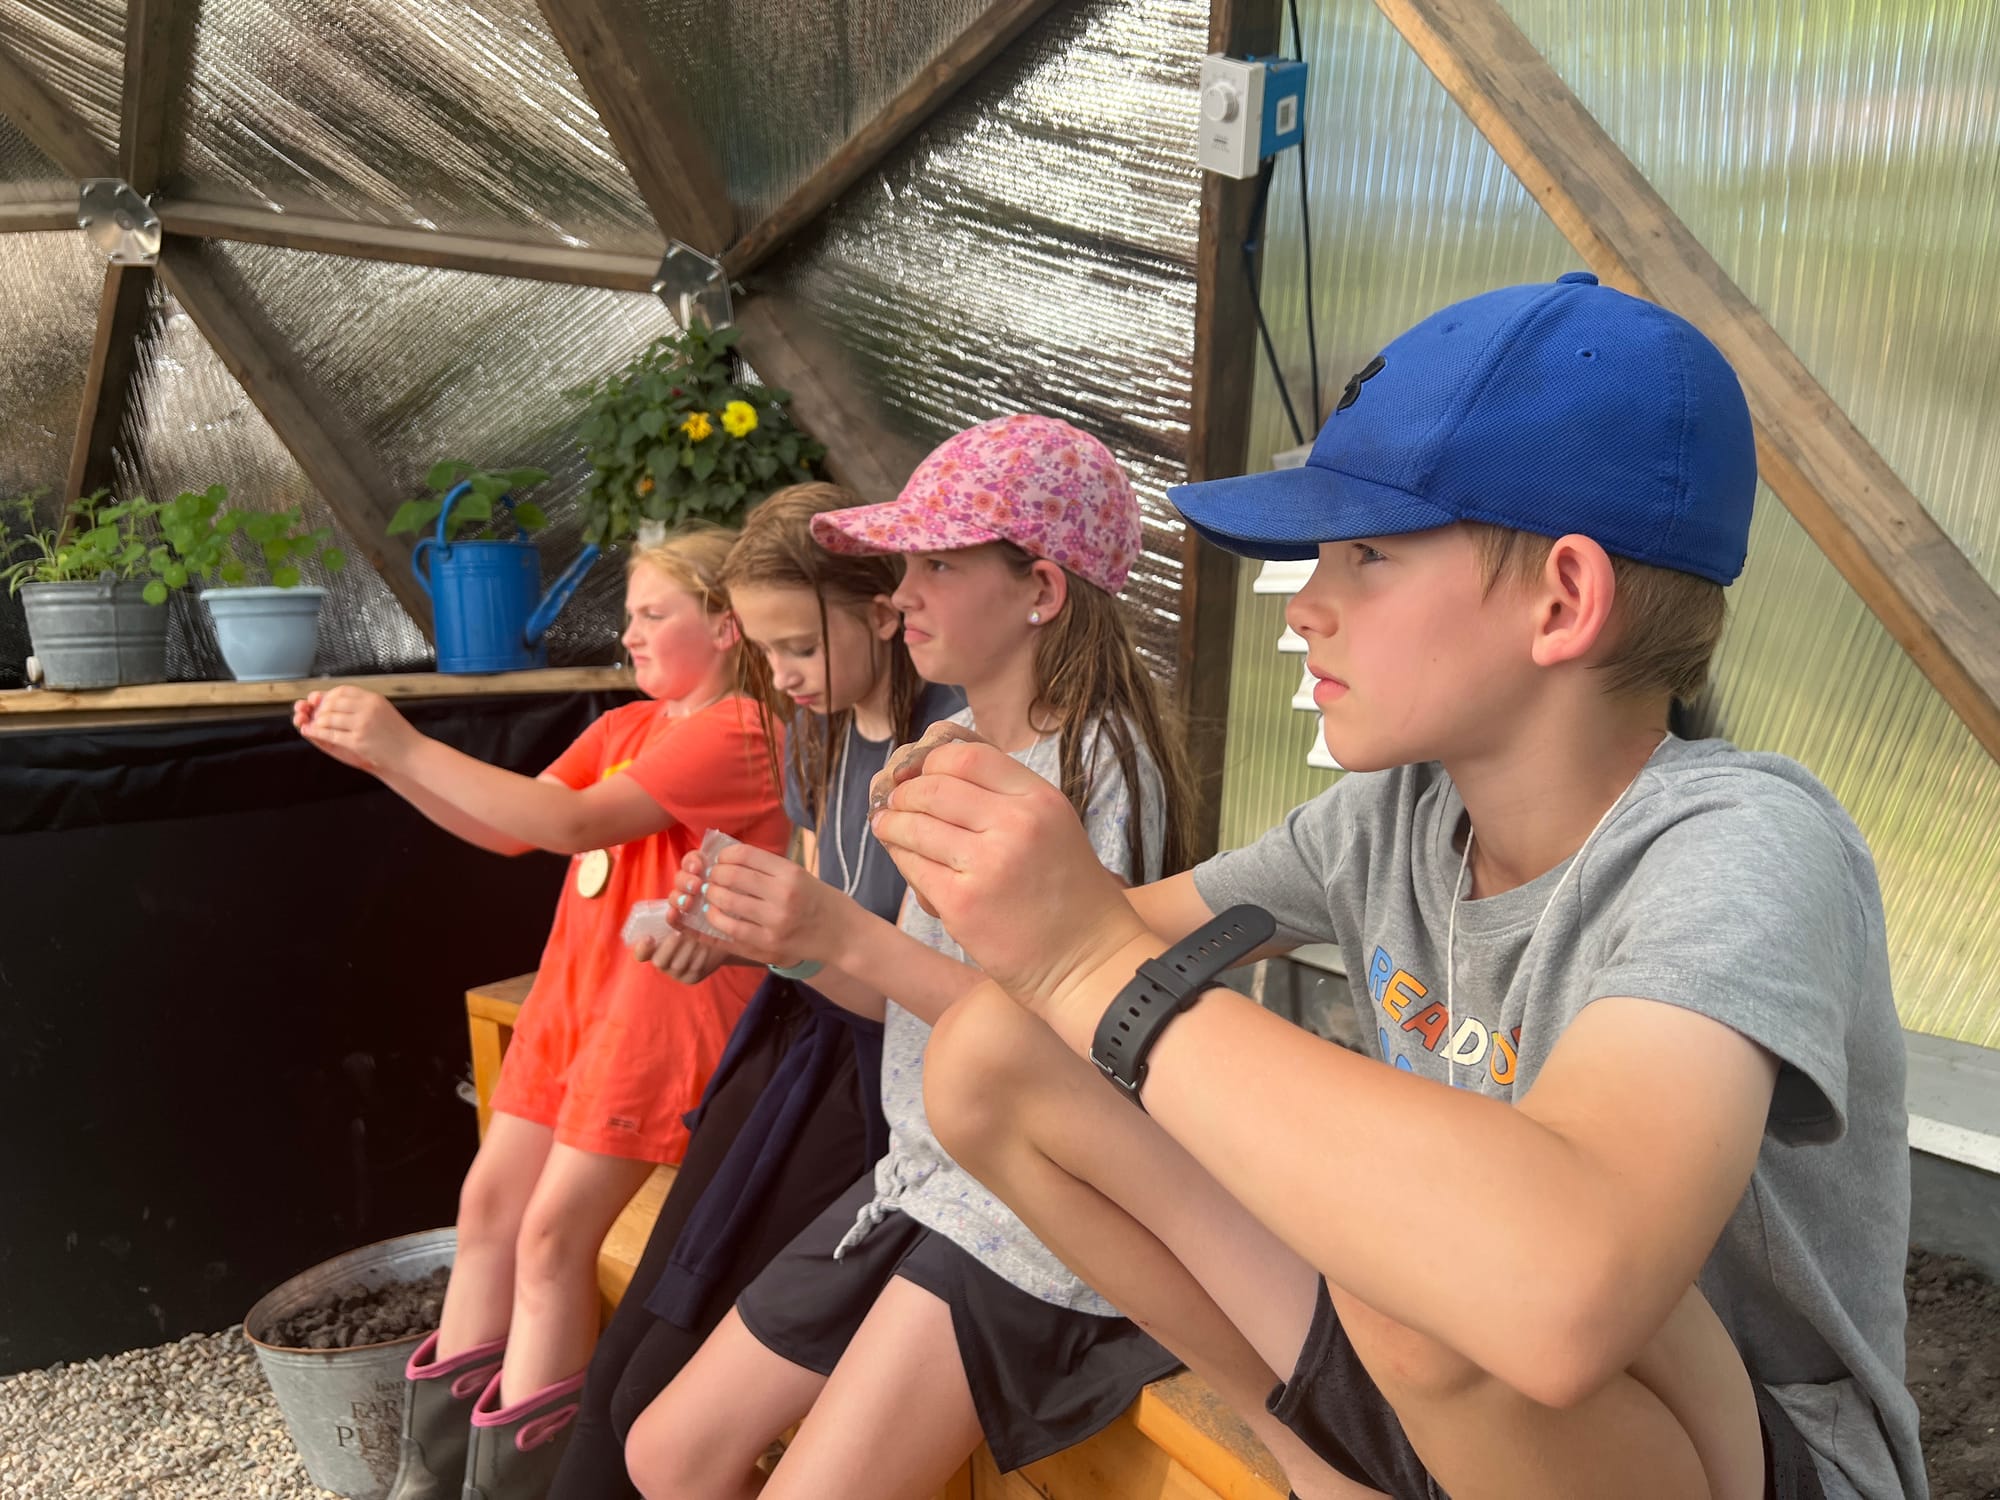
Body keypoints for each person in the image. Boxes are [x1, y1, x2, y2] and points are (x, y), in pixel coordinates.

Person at [873, 277, 1925, 1500]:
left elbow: (1559, 1293)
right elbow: (1084, 964)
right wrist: (1015, 882)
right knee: (992, 1055)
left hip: (1723, 1461)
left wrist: (1083, 960)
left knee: (1449, 1273)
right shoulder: (1392, 819)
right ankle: (1314, 1457)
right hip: (1438, 1386)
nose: (1306, 607)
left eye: (1365, 554)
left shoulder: (1741, 840)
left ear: (1563, 600)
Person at [622, 414, 1197, 1499]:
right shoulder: (966, 749)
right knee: (663, 1453)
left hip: (1037, 1217)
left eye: (936, 563)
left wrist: (841, 931)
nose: (902, 594)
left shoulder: (1090, 765)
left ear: (1039, 588)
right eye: (905, 562)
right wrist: (786, 944)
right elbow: (915, 1003)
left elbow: (1062, 1043)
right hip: (926, 1177)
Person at [294, 526, 788, 1499]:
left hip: (658, 1025)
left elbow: (567, 824)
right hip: (577, 1009)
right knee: (488, 1208)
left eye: (653, 613)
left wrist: (408, 741)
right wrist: (388, 765)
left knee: (555, 1237)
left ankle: (522, 1488)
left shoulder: (739, 731)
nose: (630, 632)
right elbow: (506, 826)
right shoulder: (625, 728)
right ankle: (433, 1479)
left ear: (727, 628)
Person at [548, 483, 961, 1498]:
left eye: (799, 650)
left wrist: (790, 943)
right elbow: (821, 910)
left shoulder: (948, 748)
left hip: (880, 1097)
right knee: (624, 1365)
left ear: (884, 612)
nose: (781, 677)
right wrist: (734, 933)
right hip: (796, 1053)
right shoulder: (818, 736)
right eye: (766, 653)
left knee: (656, 1383)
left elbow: (926, 997)